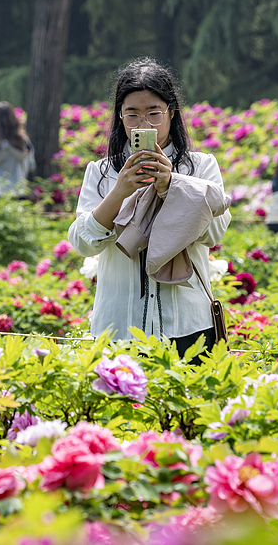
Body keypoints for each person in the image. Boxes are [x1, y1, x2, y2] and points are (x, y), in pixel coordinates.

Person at [67, 59, 231, 359]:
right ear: (120, 117)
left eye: (154, 113)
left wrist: (173, 186)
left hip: (188, 325)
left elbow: (214, 233)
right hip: (118, 327)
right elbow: (82, 242)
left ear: (172, 112)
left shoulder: (201, 167)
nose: (144, 125)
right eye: (132, 114)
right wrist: (120, 191)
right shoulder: (102, 172)